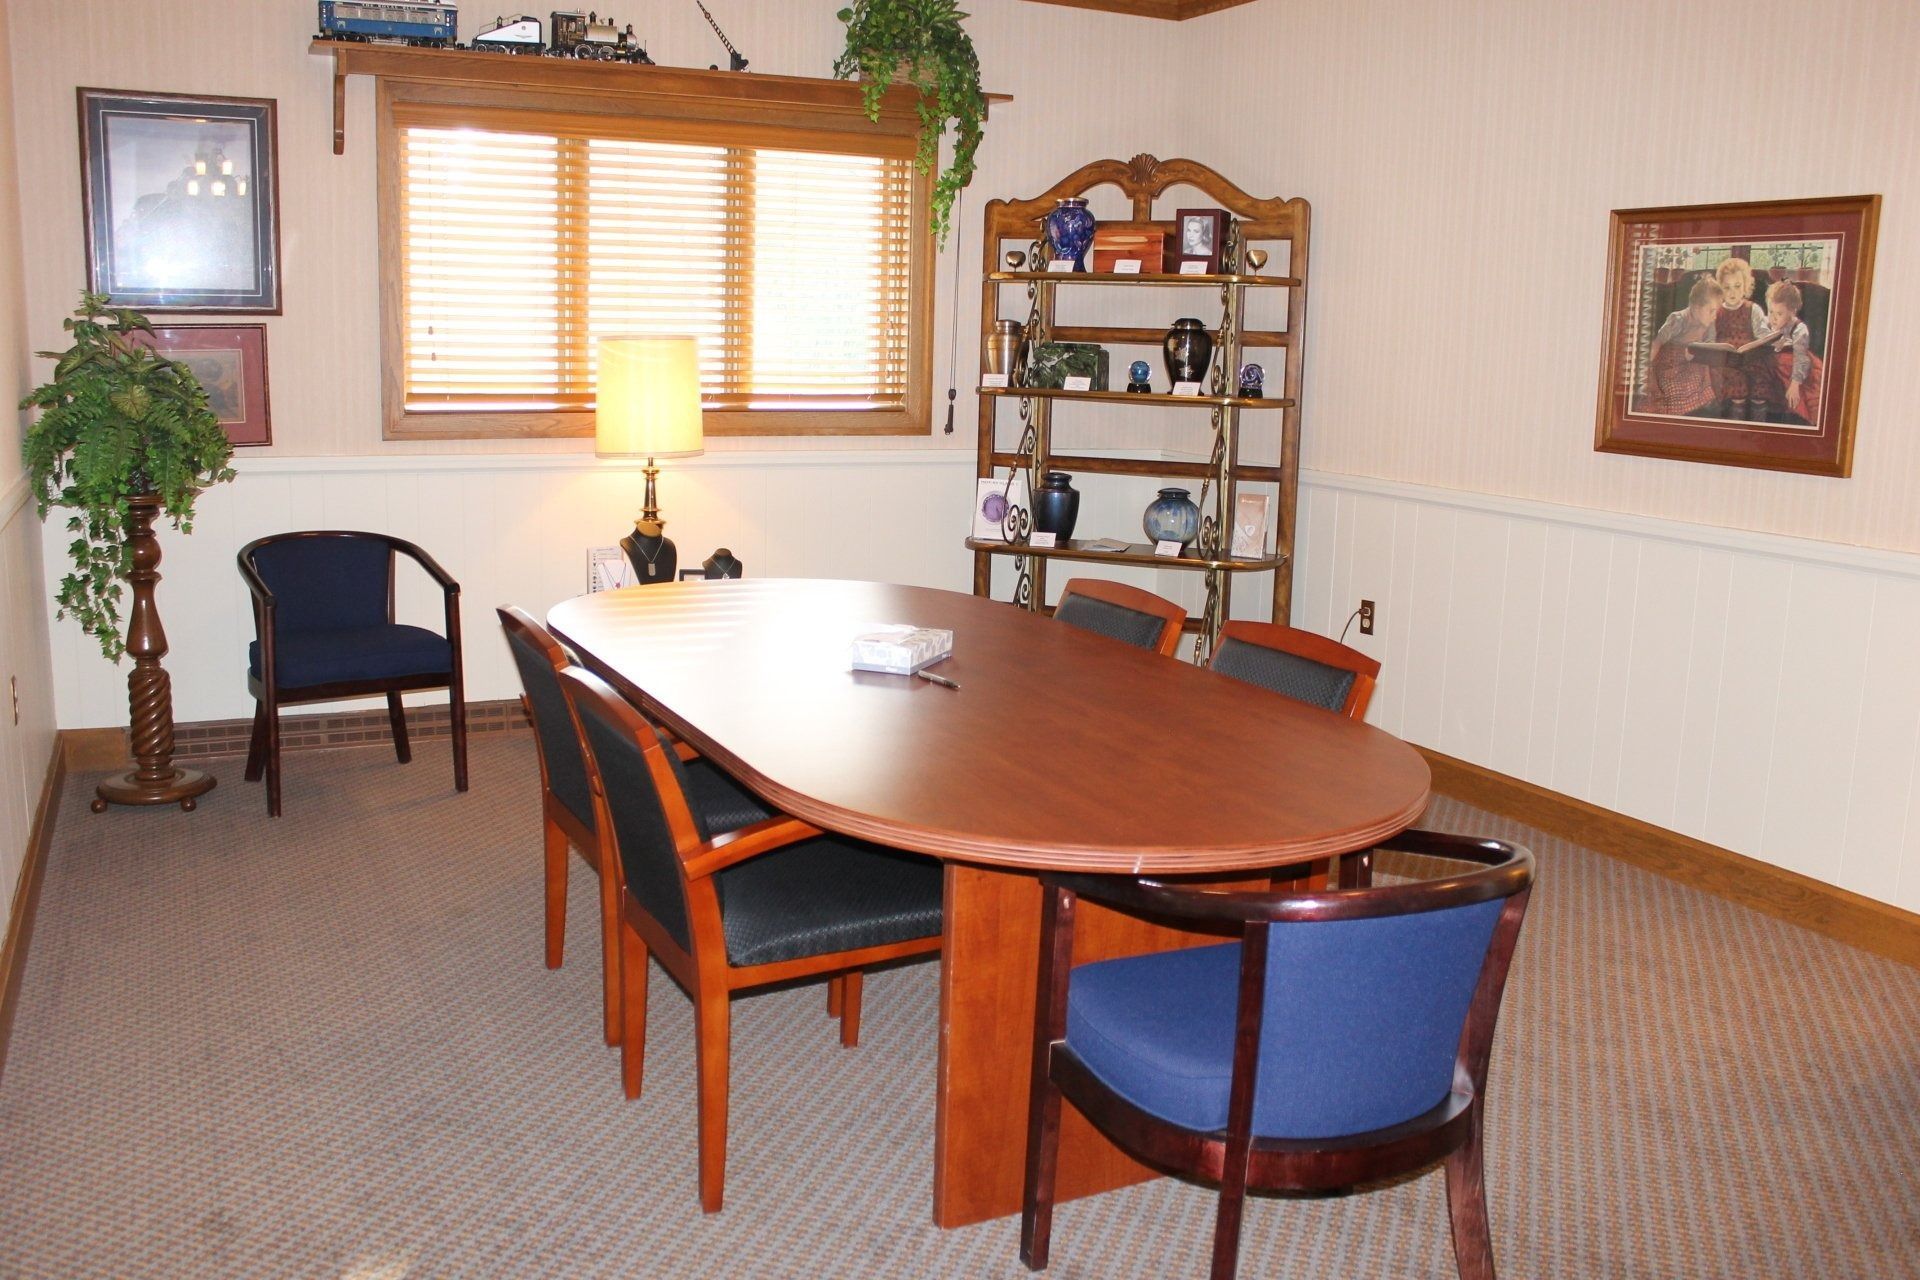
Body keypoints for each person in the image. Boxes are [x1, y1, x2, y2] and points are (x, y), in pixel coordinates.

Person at [1640, 276, 1722, 417]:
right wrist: (1648, 369)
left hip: (1692, 360)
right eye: (1711, 311)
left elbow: (1710, 345)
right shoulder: (1678, 319)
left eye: (1716, 311)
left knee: (1703, 373)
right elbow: (1658, 342)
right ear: (1696, 307)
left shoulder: (1710, 324)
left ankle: (1700, 408)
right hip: (1670, 363)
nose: (1714, 316)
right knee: (1672, 387)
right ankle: (1676, 411)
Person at [1708, 257, 1774, 420]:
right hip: (1727, 362)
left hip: (1751, 359)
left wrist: (1772, 339)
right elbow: (1709, 338)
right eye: (1726, 287)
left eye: (1737, 286)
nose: (1732, 292)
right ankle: (1737, 429)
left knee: (1760, 383)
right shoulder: (1716, 311)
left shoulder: (1754, 309)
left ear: (1746, 286)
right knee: (1738, 384)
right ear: (1720, 289)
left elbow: (1762, 333)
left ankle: (1759, 430)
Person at [1761, 280, 1823, 426]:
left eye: (1779, 313)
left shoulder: (1799, 328)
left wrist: (1795, 384)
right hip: (1773, 364)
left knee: (1806, 395)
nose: (1773, 318)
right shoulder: (1765, 322)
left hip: (1797, 367)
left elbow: (1801, 358)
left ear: (1792, 311)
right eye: (1770, 311)